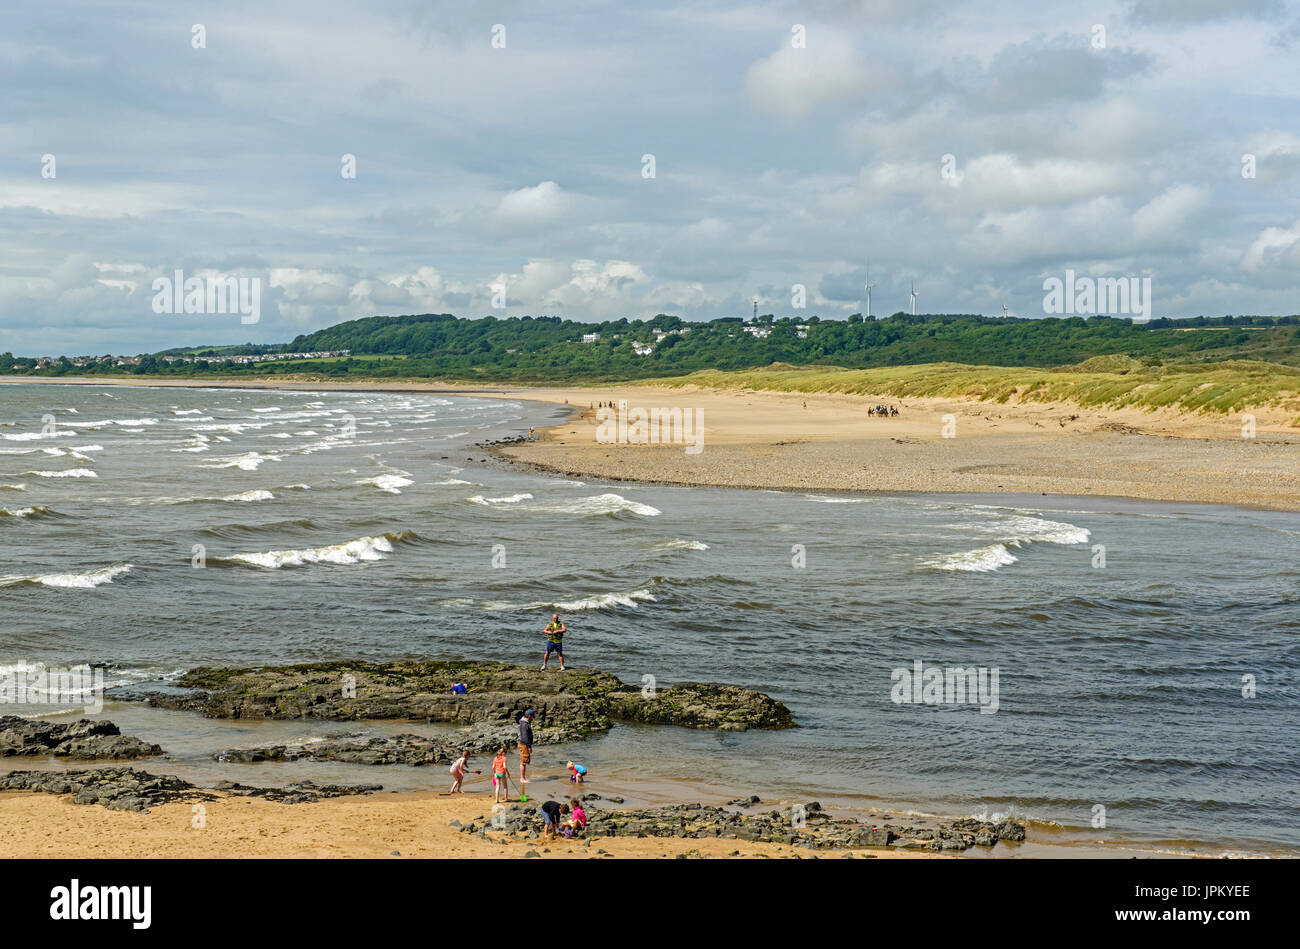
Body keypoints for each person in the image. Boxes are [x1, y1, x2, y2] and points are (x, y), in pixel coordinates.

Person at [517, 710, 534, 784]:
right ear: (529, 716)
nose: (533, 718)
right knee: (523, 762)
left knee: (524, 761)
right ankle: (522, 779)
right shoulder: (524, 724)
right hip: (524, 744)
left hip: (524, 744)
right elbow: (525, 736)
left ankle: (523, 778)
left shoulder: (525, 722)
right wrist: (529, 746)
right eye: (532, 716)